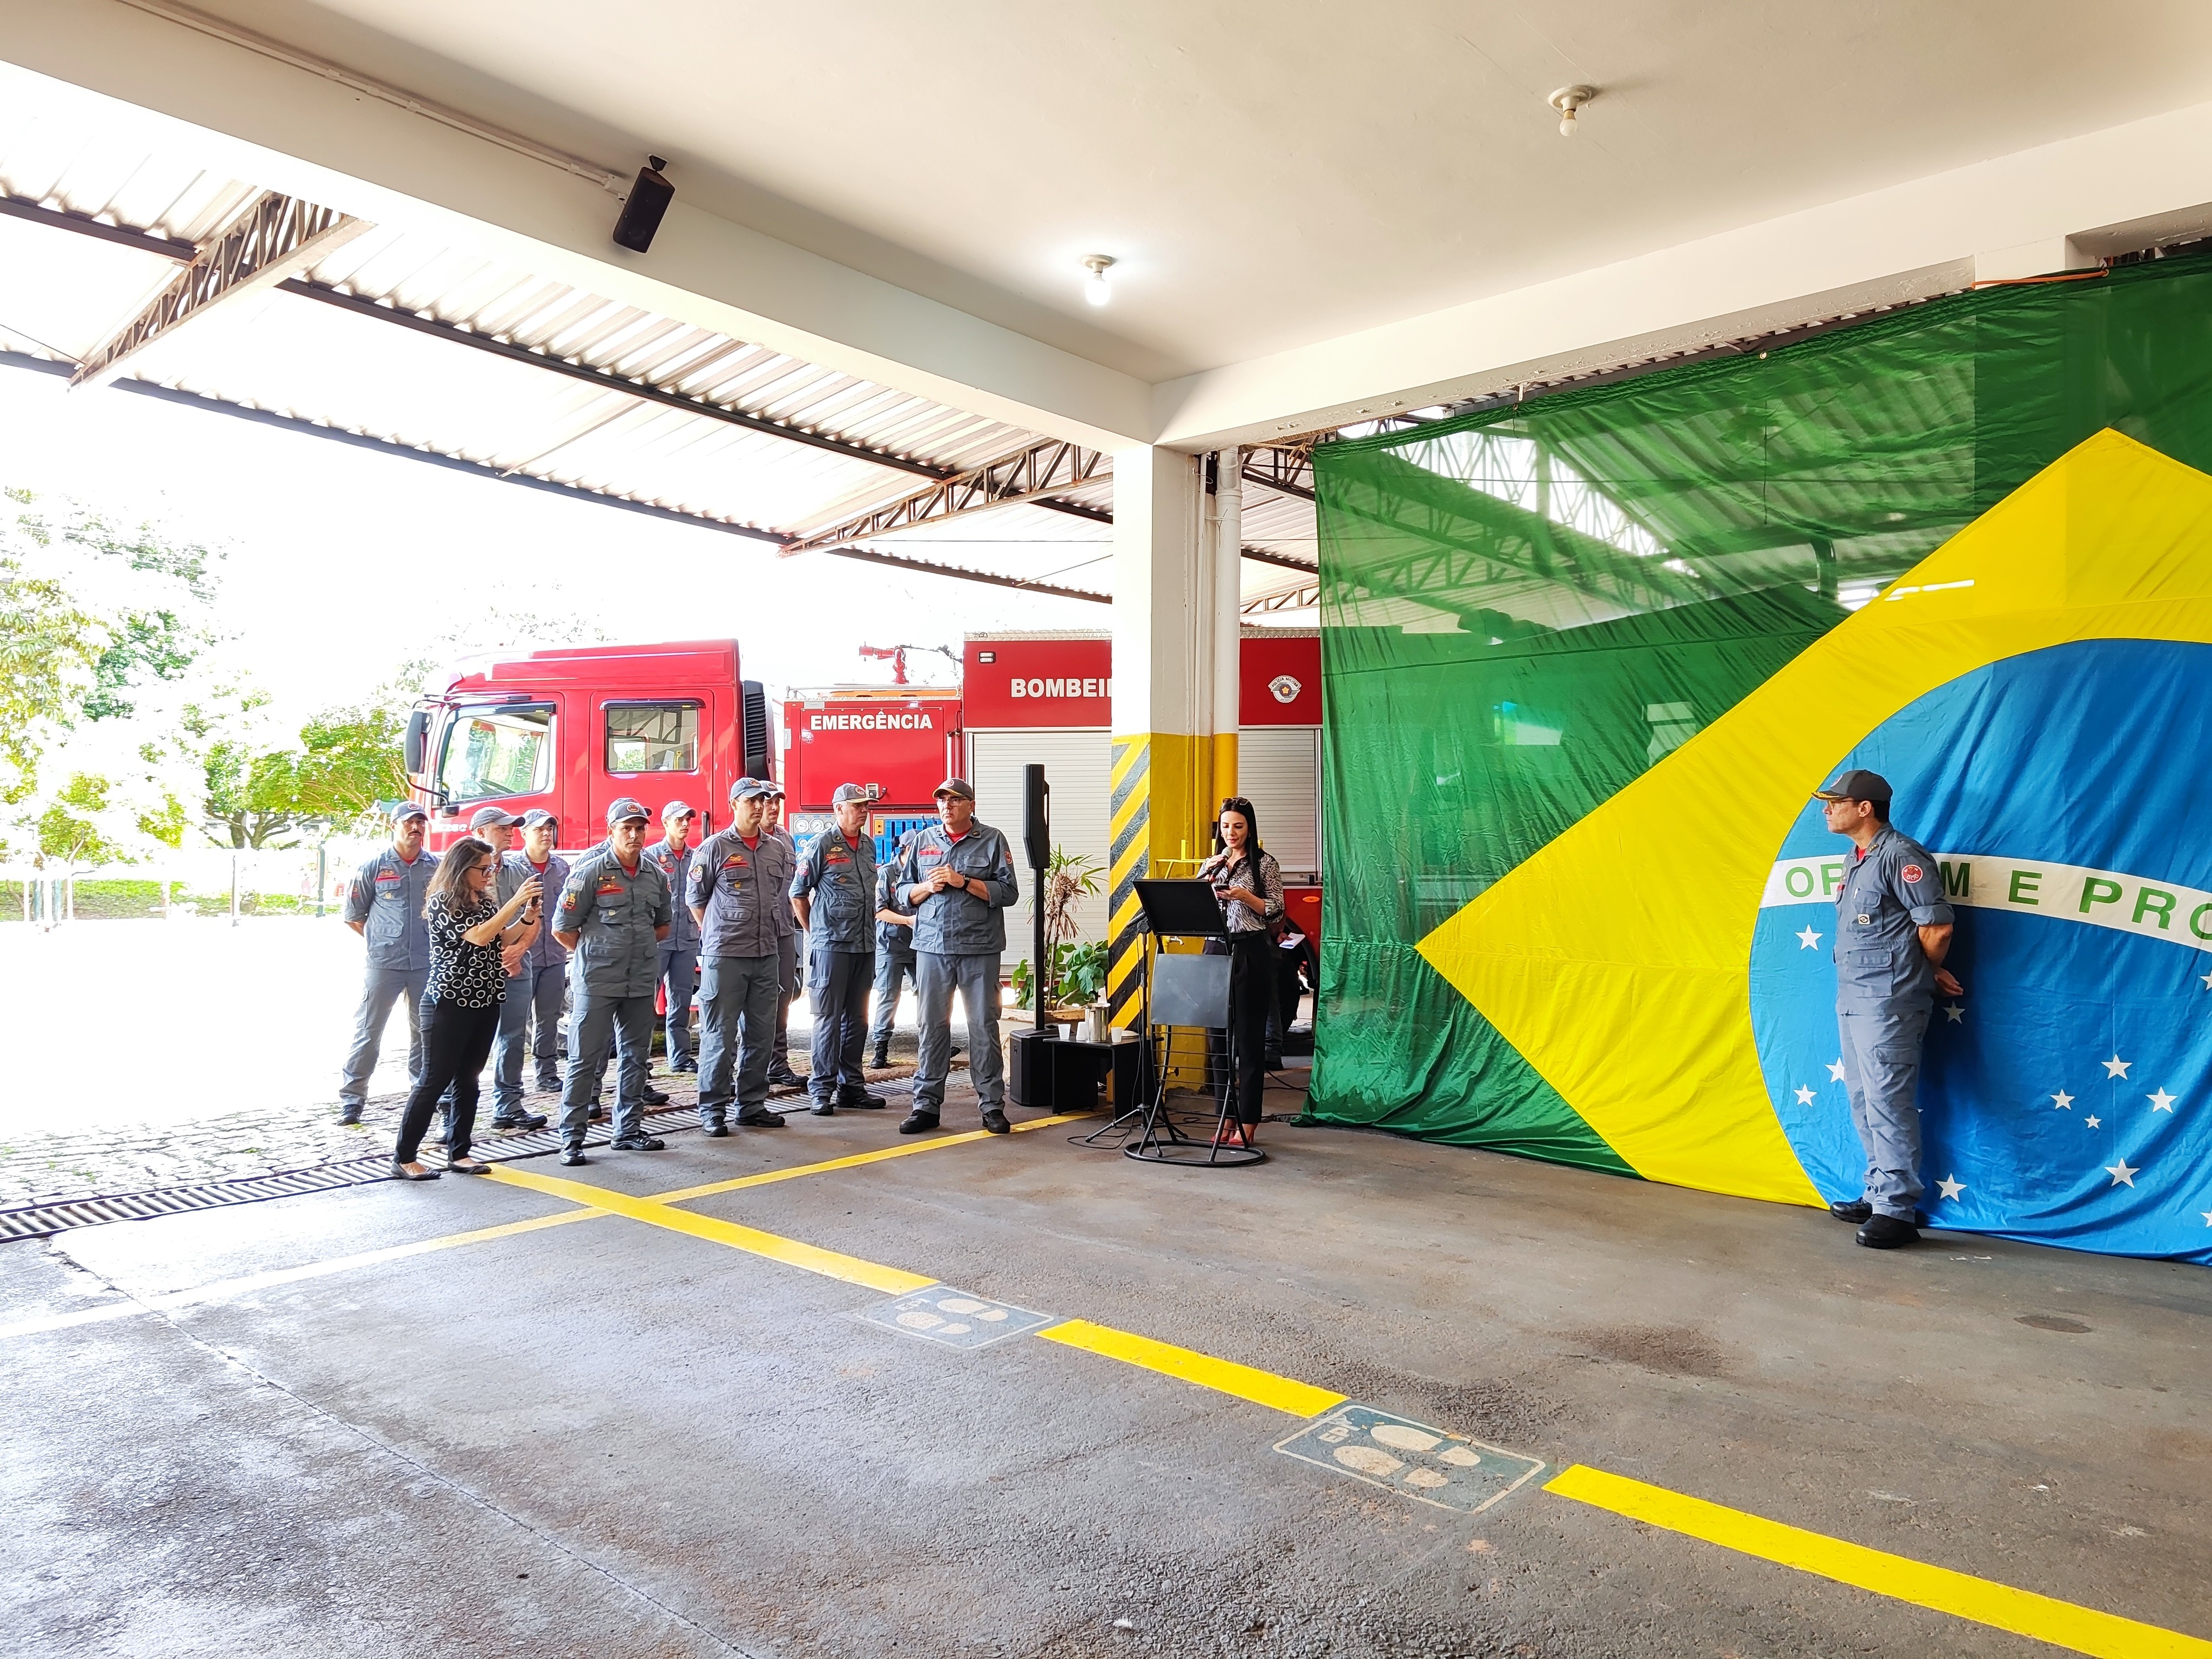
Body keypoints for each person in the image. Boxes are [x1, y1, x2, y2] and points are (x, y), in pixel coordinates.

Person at [1817, 768, 1961, 1250]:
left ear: (1865, 808)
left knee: (1888, 1102)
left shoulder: (1901, 856)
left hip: (1888, 1000)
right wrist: (1925, 967)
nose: (1827, 809)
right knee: (1863, 1100)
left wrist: (1923, 970)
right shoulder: (1856, 859)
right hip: (1855, 995)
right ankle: (1879, 1191)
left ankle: (1897, 1211)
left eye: (1836, 802)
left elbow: (1936, 927)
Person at [390, 837, 541, 1180]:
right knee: (434, 1079)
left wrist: (527, 918)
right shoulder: (443, 901)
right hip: (449, 1002)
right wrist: (515, 901)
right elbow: (477, 937)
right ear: (463, 868)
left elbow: (501, 936)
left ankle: (459, 1152)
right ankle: (405, 1156)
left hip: (485, 999)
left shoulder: (485, 902)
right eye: (483, 869)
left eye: (491, 869)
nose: (489, 875)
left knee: (469, 1079)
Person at [552, 798, 673, 1166]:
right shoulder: (589, 872)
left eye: (640, 828)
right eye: (627, 829)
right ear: (611, 831)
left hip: (639, 981)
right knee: (584, 1061)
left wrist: (633, 953)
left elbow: (663, 924)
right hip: (597, 983)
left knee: (636, 1059)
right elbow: (563, 928)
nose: (635, 835)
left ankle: (629, 1130)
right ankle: (572, 1139)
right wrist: (597, 953)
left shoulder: (656, 874)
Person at [894, 778, 1018, 1136]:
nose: (947, 806)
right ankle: (925, 1107)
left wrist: (963, 881)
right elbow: (902, 892)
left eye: (955, 800)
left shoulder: (992, 840)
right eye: (942, 801)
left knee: (983, 1027)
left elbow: (1008, 892)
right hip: (932, 948)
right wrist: (924, 888)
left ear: (971, 805)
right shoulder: (923, 841)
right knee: (931, 1028)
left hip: (979, 948)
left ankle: (992, 1107)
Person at [690, 778, 794, 1132]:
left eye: (762, 800)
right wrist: (719, 935)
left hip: (766, 953)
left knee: (761, 1035)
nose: (758, 806)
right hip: (727, 956)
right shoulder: (714, 848)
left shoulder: (776, 848)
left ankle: (751, 1105)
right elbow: (696, 900)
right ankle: (713, 1109)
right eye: (750, 801)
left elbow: (778, 895)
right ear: (733, 805)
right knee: (720, 1035)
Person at [338, 803, 440, 1125]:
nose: (416, 828)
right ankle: (352, 1099)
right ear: (394, 825)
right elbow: (354, 916)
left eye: (421, 822)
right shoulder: (374, 866)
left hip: (426, 962)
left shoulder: (436, 867)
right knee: (369, 1031)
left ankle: (422, 1093)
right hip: (384, 965)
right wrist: (382, 941)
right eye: (409, 822)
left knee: (426, 1032)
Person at [791, 783, 888, 1114]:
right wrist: (814, 932)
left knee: (858, 1020)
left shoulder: (869, 846)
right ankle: (821, 1090)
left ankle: (852, 1088)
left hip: (864, 944)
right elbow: (798, 893)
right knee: (828, 1020)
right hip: (831, 946)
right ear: (838, 809)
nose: (864, 810)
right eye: (857, 805)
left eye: (866, 806)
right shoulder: (821, 845)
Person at [1197, 797, 1285, 1149]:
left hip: (1249, 950)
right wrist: (1205, 877)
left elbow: (1276, 908)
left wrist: (1243, 896)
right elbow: (1194, 902)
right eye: (1225, 826)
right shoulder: (1213, 864)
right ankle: (1225, 1115)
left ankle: (1248, 1122)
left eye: (1238, 826)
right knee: (1217, 1042)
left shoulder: (1265, 864)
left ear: (1249, 828)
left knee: (1247, 1043)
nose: (1231, 833)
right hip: (1214, 949)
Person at [495, 807, 570, 1109]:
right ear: (524, 834)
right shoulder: (511, 869)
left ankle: (547, 1072)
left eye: (550, 828)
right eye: (539, 829)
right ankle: (509, 1087)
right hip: (519, 955)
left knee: (549, 1017)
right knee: (513, 1024)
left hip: (553, 954)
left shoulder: (562, 868)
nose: (546, 834)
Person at [649, 801, 702, 1075]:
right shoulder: (650, 857)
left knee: (681, 1001)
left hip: (687, 938)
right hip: (658, 940)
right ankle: (640, 1060)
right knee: (645, 1001)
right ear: (666, 822)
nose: (685, 824)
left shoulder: (697, 857)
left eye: (688, 820)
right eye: (679, 820)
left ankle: (680, 1057)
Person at [762, 785, 807, 1091]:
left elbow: (794, 889)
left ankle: (777, 1065)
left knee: (783, 1000)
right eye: (767, 802)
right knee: (752, 1004)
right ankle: (749, 1068)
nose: (774, 807)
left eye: (778, 801)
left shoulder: (786, 839)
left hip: (783, 931)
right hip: (750, 936)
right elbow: (698, 901)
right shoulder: (724, 844)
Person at [868, 834, 919, 1069]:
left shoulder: (923, 871)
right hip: (891, 945)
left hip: (921, 944)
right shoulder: (887, 873)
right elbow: (879, 912)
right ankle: (880, 1050)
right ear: (907, 849)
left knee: (929, 996)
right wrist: (908, 921)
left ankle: (934, 1044)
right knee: (889, 996)